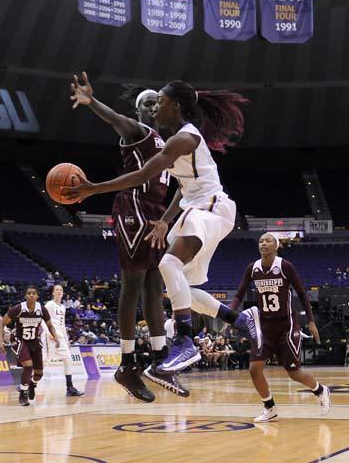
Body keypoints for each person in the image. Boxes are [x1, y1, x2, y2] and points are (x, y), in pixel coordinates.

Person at [64, 79, 263, 374]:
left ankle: (185, 343)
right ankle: (241, 319)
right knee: (183, 288)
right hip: (200, 209)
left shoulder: (182, 139)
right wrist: (166, 222)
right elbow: (181, 186)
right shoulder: (178, 140)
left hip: (211, 207)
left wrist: (93, 188)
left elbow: (142, 174)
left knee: (168, 264)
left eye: (161, 100)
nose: (157, 106)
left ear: (176, 105)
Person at [70, 73, 187, 400]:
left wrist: (167, 219)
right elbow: (115, 119)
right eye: (146, 103)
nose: (152, 107)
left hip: (155, 213)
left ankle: (160, 360)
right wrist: (92, 102)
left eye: (156, 102)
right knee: (133, 283)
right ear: (139, 110)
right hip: (132, 206)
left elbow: (181, 189)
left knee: (154, 286)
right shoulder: (137, 132)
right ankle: (127, 363)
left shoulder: (170, 145)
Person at [230, 233, 331, 422]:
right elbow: (239, 294)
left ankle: (320, 390)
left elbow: (301, 293)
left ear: (276, 246)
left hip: (286, 325)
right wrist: (228, 315)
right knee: (254, 369)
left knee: (293, 373)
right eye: (260, 241)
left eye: (268, 241)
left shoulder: (285, 266)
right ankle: (270, 407)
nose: (263, 243)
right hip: (264, 325)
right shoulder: (253, 268)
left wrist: (310, 320)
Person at [0, 286, 59, 407]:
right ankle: (23, 393)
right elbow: (1, 324)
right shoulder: (18, 308)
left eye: (34, 293)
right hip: (20, 340)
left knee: (39, 374)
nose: (31, 295)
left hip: (34, 341)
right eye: (29, 293)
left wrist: (56, 337)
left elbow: (50, 325)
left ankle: (32, 383)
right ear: (26, 296)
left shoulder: (41, 309)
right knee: (28, 366)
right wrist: (0, 342)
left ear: (37, 296)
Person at [43, 285, 84, 397]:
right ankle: (26, 384)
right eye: (56, 290)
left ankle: (69, 387)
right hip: (51, 337)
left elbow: (62, 325)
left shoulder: (62, 307)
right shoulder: (49, 304)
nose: (59, 291)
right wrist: (49, 333)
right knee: (44, 361)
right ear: (53, 293)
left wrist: (67, 340)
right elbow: (42, 320)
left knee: (68, 359)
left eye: (61, 290)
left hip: (60, 337)